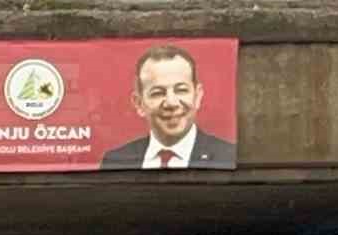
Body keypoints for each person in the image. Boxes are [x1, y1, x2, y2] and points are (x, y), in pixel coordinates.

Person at [100, 44, 236, 170]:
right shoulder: (115, 160)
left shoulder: (228, 156)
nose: (171, 103)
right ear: (139, 103)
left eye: (181, 90)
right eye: (157, 93)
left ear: (197, 96)